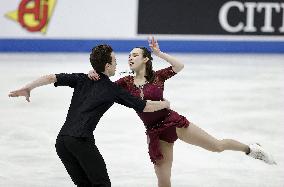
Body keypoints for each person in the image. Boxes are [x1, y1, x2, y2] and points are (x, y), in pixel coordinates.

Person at [88, 38, 276, 187]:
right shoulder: (124, 83)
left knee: (216, 146)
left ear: (145, 59)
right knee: (163, 181)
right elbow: (104, 88)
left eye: (135, 55)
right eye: (129, 55)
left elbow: (179, 66)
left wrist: (160, 53)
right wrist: (92, 72)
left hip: (174, 123)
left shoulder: (157, 76)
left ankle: (251, 149)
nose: (130, 58)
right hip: (155, 133)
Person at [8, 44, 171, 187]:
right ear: (107, 66)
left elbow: (51, 77)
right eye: (114, 61)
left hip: (62, 142)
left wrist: (28, 87)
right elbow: (145, 106)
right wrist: (164, 104)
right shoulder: (112, 90)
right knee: (102, 184)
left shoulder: (82, 78)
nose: (116, 64)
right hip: (80, 141)